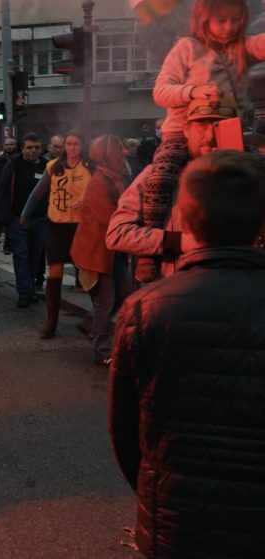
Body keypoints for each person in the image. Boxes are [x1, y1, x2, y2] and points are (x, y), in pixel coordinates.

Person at [108, 149, 265, 559]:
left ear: (190, 218)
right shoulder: (156, 175)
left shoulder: (143, 310)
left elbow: (126, 430)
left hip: (176, 515)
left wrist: (154, 487)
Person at [141, 0, 265, 281]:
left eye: (235, 20)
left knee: (258, 170)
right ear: (204, 19)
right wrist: (192, 91)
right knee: (160, 177)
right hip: (182, 131)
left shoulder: (242, 47)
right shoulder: (186, 47)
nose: (228, 27)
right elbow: (161, 91)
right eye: (221, 20)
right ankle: (147, 256)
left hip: (227, 129)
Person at [107, 97, 229, 279]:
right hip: (174, 288)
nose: (210, 136)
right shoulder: (156, 174)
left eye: (218, 125)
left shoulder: (246, 174)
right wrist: (177, 241)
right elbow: (117, 234)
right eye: (201, 126)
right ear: (186, 130)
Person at [20, 131, 91, 338]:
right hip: (57, 226)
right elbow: (37, 193)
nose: (71, 147)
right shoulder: (53, 166)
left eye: (76, 144)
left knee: (88, 274)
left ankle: (96, 321)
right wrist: (25, 214)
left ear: (82, 146)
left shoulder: (89, 167)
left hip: (80, 227)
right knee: (55, 273)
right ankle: (51, 322)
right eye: (68, 144)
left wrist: (88, 203)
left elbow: (99, 192)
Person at [70, 136, 133, 365]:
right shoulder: (100, 181)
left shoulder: (115, 177)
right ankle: (103, 351)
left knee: (123, 293)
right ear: (107, 154)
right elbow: (109, 217)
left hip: (111, 250)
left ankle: (91, 324)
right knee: (106, 300)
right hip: (97, 252)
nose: (124, 152)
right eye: (119, 148)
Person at [0, 132, 48, 307]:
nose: (33, 151)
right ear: (23, 148)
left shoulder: (47, 166)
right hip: (18, 220)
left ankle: (30, 288)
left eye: (36, 148)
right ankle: (24, 292)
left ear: (41, 148)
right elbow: (2, 190)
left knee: (35, 257)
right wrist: (8, 218)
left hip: (40, 220)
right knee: (21, 255)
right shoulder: (13, 165)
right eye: (29, 147)